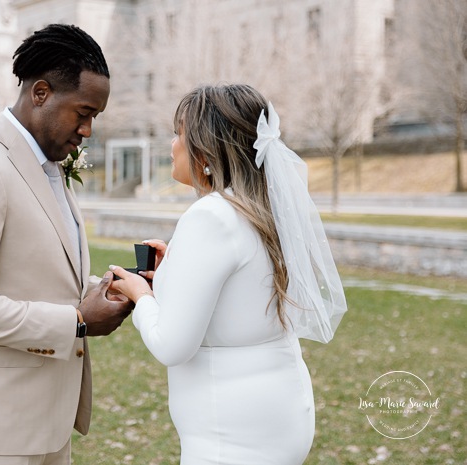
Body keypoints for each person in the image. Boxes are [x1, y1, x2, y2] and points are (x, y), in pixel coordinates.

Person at [0, 24, 133, 465]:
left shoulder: (49, 164)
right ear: (40, 93)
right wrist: (76, 321)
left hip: (46, 422)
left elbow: (43, 273)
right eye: (83, 112)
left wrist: (111, 289)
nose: (89, 130)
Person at [109, 84, 347, 464]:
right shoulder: (260, 209)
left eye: (178, 134)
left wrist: (142, 296)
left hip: (230, 435)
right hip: (276, 412)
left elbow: (172, 345)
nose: (172, 145)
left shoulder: (210, 217)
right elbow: (243, 292)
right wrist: (175, 269)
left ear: (205, 151)